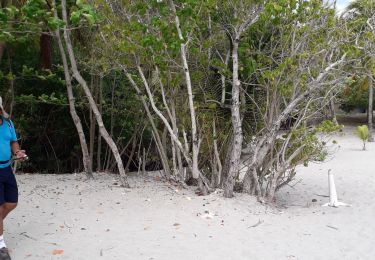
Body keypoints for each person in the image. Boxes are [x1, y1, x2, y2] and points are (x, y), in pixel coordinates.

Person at [0, 97, 27, 260]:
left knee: (11, 203)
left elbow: (13, 142)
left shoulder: (8, 123)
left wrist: (18, 152)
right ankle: (1, 246)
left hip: (6, 168)